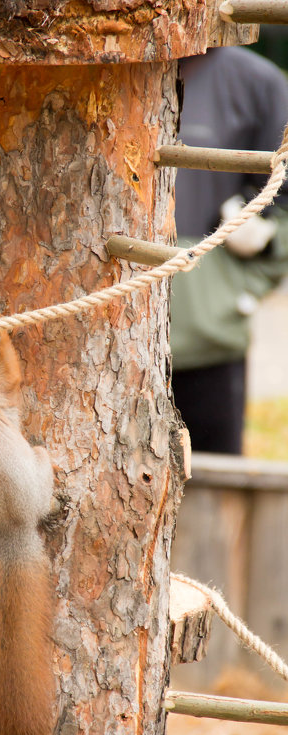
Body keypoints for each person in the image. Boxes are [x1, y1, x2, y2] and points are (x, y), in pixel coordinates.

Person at [171, 46, 288, 454]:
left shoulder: (260, 85)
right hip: (101, 336)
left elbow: (283, 202)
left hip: (209, 339)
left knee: (211, 485)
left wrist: (235, 290)